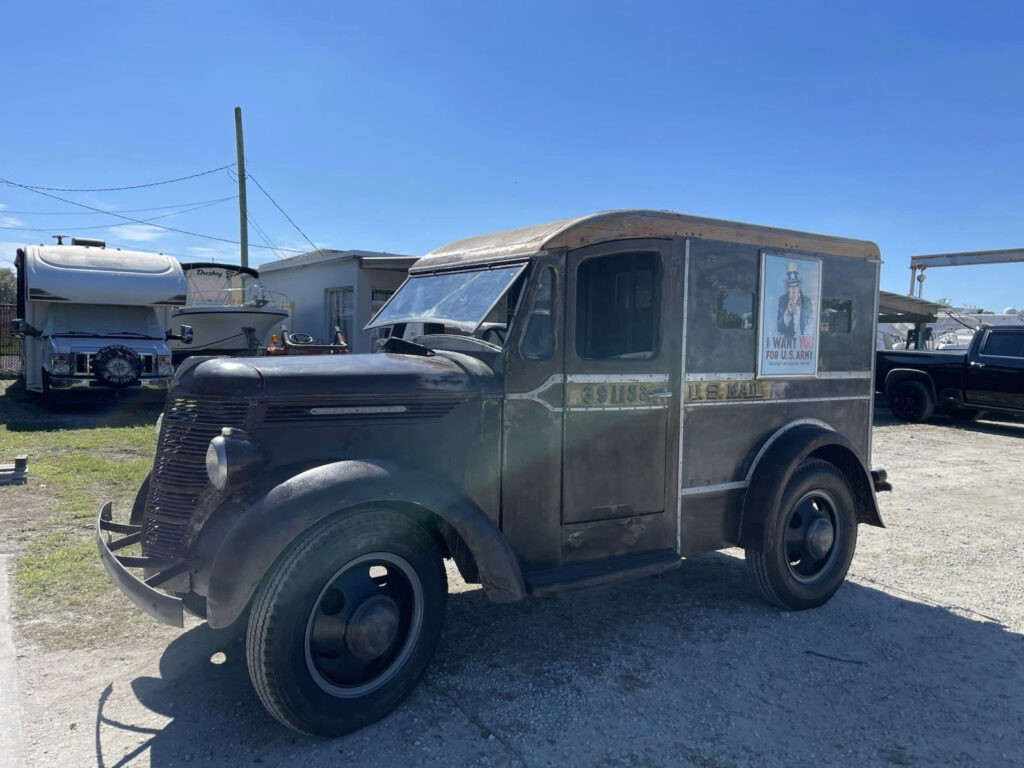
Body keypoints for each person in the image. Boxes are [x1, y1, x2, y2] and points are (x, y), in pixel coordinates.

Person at [776, 261, 811, 337]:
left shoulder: (807, 301)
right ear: (787, 288)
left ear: (799, 286)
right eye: (791, 286)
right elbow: (779, 328)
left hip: (803, 341)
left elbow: (809, 325)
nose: (794, 290)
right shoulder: (782, 300)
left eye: (796, 286)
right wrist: (787, 312)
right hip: (788, 343)